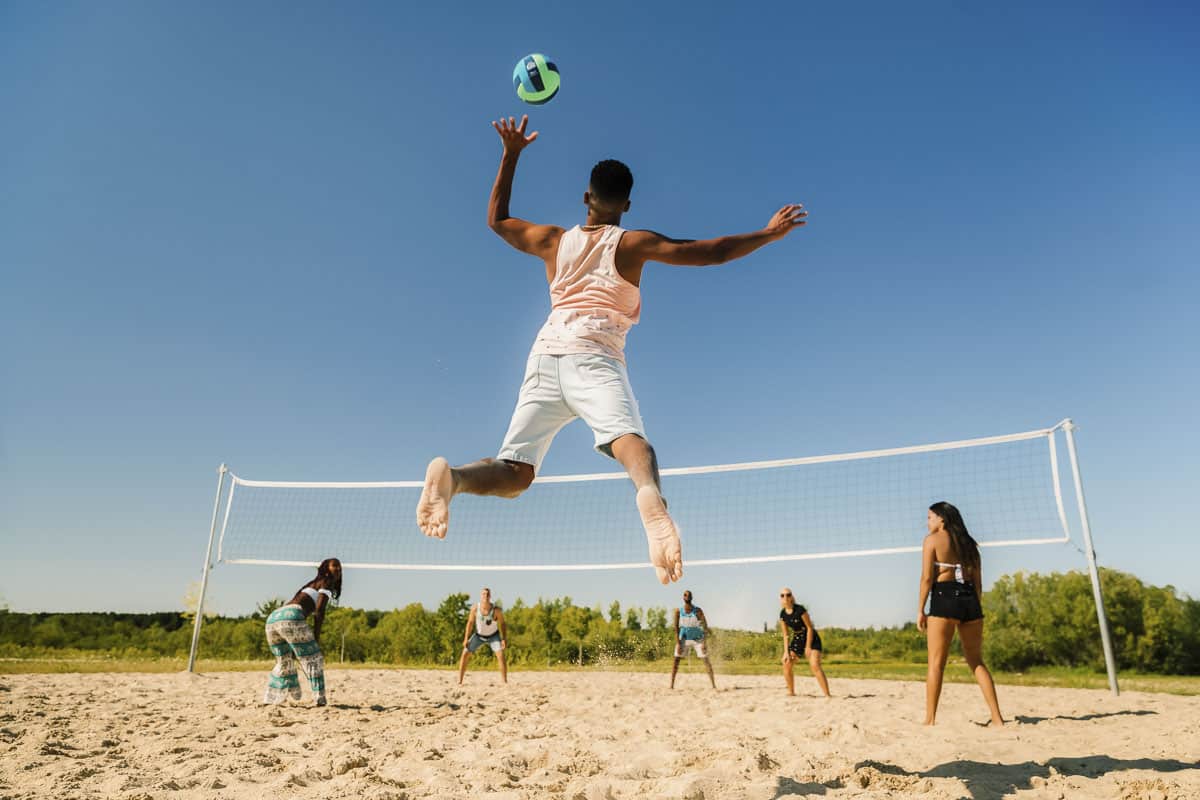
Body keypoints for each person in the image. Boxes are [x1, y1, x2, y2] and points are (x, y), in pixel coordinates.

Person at [415, 114, 808, 584]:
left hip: (544, 355)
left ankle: (454, 478)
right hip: (595, 355)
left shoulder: (552, 240)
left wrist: (511, 154)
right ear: (625, 205)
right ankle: (648, 497)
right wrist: (768, 233)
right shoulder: (632, 243)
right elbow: (712, 250)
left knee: (515, 473)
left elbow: (496, 220)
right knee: (632, 444)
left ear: (587, 198)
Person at [918, 501, 1004, 726]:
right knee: (976, 661)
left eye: (929, 517)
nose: (927, 522)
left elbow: (927, 578)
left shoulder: (932, 541)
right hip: (970, 600)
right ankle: (997, 718)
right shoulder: (969, 544)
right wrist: (973, 606)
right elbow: (978, 583)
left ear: (941, 519)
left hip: (944, 597)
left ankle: (929, 719)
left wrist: (920, 609)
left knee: (936, 663)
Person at [263, 558, 341, 706]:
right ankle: (320, 698)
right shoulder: (327, 583)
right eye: (335, 566)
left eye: (340, 568)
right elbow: (319, 611)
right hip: (291, 617)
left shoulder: (310, 585)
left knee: (284, 661)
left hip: (274, 618)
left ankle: (272, 697)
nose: (338, 570)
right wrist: (316, 638)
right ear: (326, 569)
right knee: (314, 658)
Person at [778, 587, 831, 697]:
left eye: (788, 594)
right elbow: (785, 634)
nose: (785, 597)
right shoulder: (782, 614)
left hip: (810, 637)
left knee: (815, 665)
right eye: (782, 595)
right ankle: (791, 692)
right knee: (786, 663)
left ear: (791, 596)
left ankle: (827, 695)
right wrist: (786, 652)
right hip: (797, 639)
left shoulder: (800, 610)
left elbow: (810, 628)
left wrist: (808, 647)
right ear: (780, 598)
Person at [458, 587, 508, 685]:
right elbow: (470, 623)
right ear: (481, 596)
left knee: (501, 655)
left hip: (493, 636)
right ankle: (459, 681)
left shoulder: (496, 610)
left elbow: (502, 624)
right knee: (464, 654)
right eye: (484, 594)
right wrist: (466, 638)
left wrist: (504, 639)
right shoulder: (475, 608)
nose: (486, 596)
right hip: (478, 636)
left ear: (490, 596)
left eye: (488, 594)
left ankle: (504, 681)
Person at [671, 590, 716, 689]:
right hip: (684, 639)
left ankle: (713, 686)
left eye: (689, 594)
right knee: (676, 661)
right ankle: (671, 686)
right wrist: (678, 643)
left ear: (691, 597)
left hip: (697, 639)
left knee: (706, 661)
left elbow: (705, 626)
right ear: (683, 598)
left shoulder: (698, 610)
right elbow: (676, 627)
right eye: (685, 594)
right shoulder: (678, 611)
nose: (687, 596)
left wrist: (704, 642)